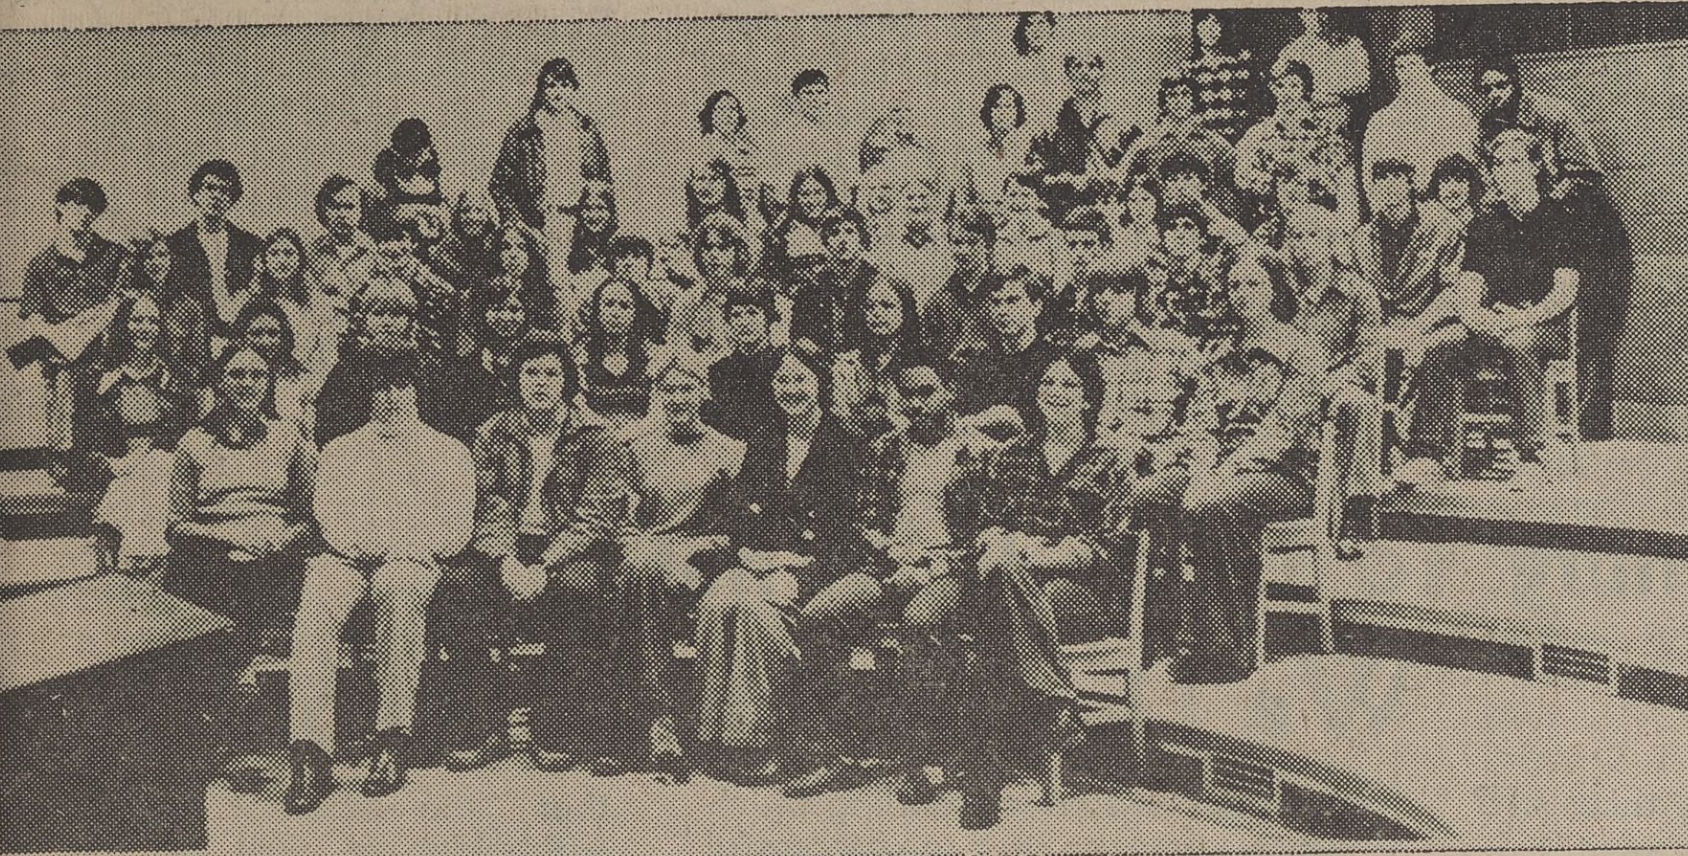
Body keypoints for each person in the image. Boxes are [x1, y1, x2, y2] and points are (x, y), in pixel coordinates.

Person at [427, 332, 633, 775]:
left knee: (577, 587)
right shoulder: (493, 431)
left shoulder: (598, 434)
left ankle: (553, 722)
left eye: (550, 373)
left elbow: (595, 515)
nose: (540, 382)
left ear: (567, 379)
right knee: (458, 586)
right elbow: (486, 500)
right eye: (530, 372)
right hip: (503, 543)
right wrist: (505, 558)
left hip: (570, 545)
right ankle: (485, 722)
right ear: (516, 379)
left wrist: (544, 564)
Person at [791, 356, 988, 807]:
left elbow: (983, 529)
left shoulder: (975, 451)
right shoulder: (887, 449)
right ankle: (834, 753)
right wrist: (890, 556)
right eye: (908, 395)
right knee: (820, 615)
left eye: (927, 393)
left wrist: (934, 566)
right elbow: (866, 518)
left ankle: (919, 759)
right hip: (891, 567)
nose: (917, 404)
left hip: (950, 571)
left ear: (948, 394)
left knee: (921, 621)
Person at [949, 350, 1135, 828]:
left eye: (1069, 386)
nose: (1056, 393)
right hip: (1012, 586)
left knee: (1002, 597)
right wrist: (1000, 540)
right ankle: (1055, 704)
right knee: (1004, 597)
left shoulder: (1107, 462)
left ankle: (985, 773)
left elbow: (1109, 549)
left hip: (1078, 593)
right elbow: (983, 523)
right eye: (1048, 383)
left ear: (1088, 398)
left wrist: (1036, 552)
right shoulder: (1013, 454)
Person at [283, 352, 475, 814]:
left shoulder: (447, 451)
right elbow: (329, 519)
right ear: (369, 394)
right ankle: (311, 751)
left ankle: (392, 739)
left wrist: (404, 545)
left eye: (400, 387)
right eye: (381, 388)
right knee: (317, 604)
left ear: (416, 391)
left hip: (410, 559)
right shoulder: (341, 450)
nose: (391, 398)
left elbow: (455, 528)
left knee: (399, 586)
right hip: (346, 557)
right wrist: (363, 545)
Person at [1131, 259, 1324, 685]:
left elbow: (1283, 431)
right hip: (1219, 465)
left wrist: (1224, 471)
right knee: (1148, 494)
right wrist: (1203, 465)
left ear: (1273, 289)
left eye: (1253, 282)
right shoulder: (1220, 353)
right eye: (1234, 284)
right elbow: (1202, 422)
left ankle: (1224, 647)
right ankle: (1164, 627)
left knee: (1213, 504)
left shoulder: (1300, 351)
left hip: (1284, 475)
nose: (1243, 291)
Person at [695, 347, 865, 785]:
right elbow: (740, 506)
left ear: (820, 385)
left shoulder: (844, 444)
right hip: (759, 557)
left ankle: (756, 740)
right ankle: (712, 736)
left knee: (754, 609)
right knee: (718, 600)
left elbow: (847, 529)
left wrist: (793, 563)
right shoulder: (766, 437)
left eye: (800, 380)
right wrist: (748, 553)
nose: (791, 389)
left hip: (812, 566)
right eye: (783, 381)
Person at [164, 343, 316, 785]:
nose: (247, 383)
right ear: (220, 382)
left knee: (250, 585)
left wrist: (278, 539)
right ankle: (210, 735)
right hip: (211, 554)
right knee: (203, 587)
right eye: (236, 375)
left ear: (267, 382)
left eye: (256, 375)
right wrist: (228, 536)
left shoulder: (289, 439)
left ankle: (225, 733)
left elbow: (311, 517)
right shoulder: (194, 444)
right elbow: (175, 526)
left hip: (274, 556)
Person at [1398, 130, 1581, 491]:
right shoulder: (1486, 222)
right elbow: (1469, 287)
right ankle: (1428, 456)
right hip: (1492, 321)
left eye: (1515, 162)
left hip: (1544, 324)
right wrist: (1478, 318)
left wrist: (1521, 319)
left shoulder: (1559, 217)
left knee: (1519, 343)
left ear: (1534, 166)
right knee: (1440, 345)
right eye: (1499, 164)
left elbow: (1566, 291)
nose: (1506, 171)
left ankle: (1532, 456)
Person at [591, 352, 745, 781]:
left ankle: (684, 727)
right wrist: (660, 555)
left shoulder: (728, 451)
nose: (677, 398)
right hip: (645, 554)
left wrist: (688, 555)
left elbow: (735, 529)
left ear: (704, 393)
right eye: (668, 389)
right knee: (640, 571)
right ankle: (658, 719)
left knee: (649, 576)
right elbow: (618, 520)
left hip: (702, 560)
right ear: (657, 395)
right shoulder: (634, 446)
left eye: (687, 388)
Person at [1279, 205, 1385, 557]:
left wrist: (1327, 381)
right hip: (1284, 388)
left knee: (1358, 404)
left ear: (1331, 241)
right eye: (1297, 237)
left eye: (1314, 236)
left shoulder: (1357, 293)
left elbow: (1368, 359)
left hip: (1336, 383)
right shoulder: (1281, 289)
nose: (1305, 245)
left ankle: (1355, 519)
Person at [14, 178, 127, 455]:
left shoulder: (114, 255)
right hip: (61, 362)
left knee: (106, 439)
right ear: (61, 206)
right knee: (65, 438)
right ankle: (64, 464)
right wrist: (64, 338)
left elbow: (126, 306)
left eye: (92, 208)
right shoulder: (40, 263)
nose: (85, 213)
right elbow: (32, 318)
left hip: (106, 357)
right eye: (77, 204)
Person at [1348, 160, 1467, 360]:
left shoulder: (1443, 226)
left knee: (1449, 342)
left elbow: (1452, 291)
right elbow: (1357, 295)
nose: (1389, 185)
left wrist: (1415, 330)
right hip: (1379, 331)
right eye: (1382, 178)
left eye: (1396, 177)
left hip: (1429, 327)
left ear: (1410, 181)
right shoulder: (1361, 240)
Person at [489, 57, 613, 240]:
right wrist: (517, 225)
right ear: (542, 91)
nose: (558, 93)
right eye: (551, 86)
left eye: (564, 85)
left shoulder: (587, 129)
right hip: (536, 225)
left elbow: (603, 181)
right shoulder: (523, 131)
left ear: (573, 88)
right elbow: (499, 184)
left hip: (581, 225)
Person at [1235, 59, 1358, 226]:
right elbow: (1241, 177)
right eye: (1281, 86)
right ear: (1273, 89)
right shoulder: (1258, 135)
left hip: (1316, 222)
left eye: (1293, 86)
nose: (1287, 93)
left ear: (1304, 89)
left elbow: (1342, 176)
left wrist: (1310, 174)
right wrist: (1272, 178)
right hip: (1273, 221)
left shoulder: (1324, 132)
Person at [1362, 40, 1479, 196]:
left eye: (1412, 65)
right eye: (1400, 67)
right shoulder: (1382, 121)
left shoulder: (1456, 113)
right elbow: (1370, 177)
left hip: (1447, 205)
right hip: (1400, 209)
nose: (1406, 74)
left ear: (1430, 67)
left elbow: (1467, 168)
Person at [1031, 52, 1139, 217]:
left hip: (1111, 210)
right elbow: (1038, 168)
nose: (1085, 73)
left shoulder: (1118, 117)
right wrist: (1064, 180)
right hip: (1066, 210)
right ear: (1068, 73)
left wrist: (1118, 172)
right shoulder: (1054, 120)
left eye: (1092, 66)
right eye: (1077, 66)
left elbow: (1139, 147)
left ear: (1101, 71)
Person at [954, 266, 1063, 425]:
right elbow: (965, 418)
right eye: (996, 302)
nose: (1002, 311)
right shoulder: (978, 365)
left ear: (1036, 307)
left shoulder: (1055, 360)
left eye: (1012, 301)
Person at [348, 205, 461, 356]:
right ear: (376, 244)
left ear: (413, 243)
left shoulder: (421, 273)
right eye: (386, 240)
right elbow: (351, 303)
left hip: (415, 343)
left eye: (401, 239)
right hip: (373, 343)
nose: (394, 247)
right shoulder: (365, 271)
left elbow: (449, 297)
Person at [167, 160, 264, 324]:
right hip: (193, 334)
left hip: (242, 331)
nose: (216, 196)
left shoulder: (250, 245)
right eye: (210, 188)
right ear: (196, 194)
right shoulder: (176, 244)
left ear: (232, 198)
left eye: (224, 190)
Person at [1473, 54, 1602, 176]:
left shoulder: (1550, 112)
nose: (1494, 94)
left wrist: (1555, 195)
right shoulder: (1488, 123)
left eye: (1501, 86)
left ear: (1514, 82)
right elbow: (1486, 168)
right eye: (1487, 90)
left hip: (1567, 190)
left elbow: (1587, 168)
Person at [670, 212, 772, 364]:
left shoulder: (757, 296)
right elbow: (678, 349)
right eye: (708, 248)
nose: (714, 255)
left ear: (738, 252)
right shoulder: (687, 303)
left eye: (723, 248)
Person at [120, 230, 212, 389]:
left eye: (162, 255)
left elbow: (197, 359)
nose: (156, 263)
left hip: (172, 386)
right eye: (149, 257)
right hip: (130, 382)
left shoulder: (188, 307)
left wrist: (181, 380)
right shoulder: (128, 303)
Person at [835, 274, 922, 438]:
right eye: (870, 307)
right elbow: (842, 417)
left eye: (887, 306)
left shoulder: (922, 362)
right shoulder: (847, 366)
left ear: (905, 310)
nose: (877, 313)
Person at [1127, 75, 1237, 200]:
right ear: (1165, 101)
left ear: (1193, 99)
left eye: (1185, 94)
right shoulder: (1150, 141)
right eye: (1173, 95)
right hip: (1162, 213)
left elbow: (1235, 167)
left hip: (1203, 211)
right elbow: (1125, 175)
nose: (1179, 101)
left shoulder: (1210, 139)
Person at [577, 277, 662, 432]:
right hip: (595, 438)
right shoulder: (581, 355)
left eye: (624, 306)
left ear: (635, 313)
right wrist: (607, 432)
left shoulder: (652, 355)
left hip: (643, 437)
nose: (616, 313)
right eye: (609, 304)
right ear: (598, 310)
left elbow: (658, 409)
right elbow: (578, 405)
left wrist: (632, 432)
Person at [792, 207, 877, 356]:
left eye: (850, 232)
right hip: (823, 363)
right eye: (835, 233)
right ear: (826, 240)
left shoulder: (877, 282)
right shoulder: (812, 286)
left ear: (861, 237)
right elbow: (797, 335)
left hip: (868, 362)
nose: (843, 240)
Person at [229, 297, 318, 437]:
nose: (265, 341)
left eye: (272, 333)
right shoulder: (230, 378)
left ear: (283, 336)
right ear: (242, 335)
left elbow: (308, 433)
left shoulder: (301, 380)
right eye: (256, 334)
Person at [704, 284, 783, 442]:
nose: (744, 322)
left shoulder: (782, 364)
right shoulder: (720, 370)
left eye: (752, 313)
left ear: (767, 318)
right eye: (736, 315)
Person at [1273, 7, 1371, 134]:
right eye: (1310, 12)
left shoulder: (1350, 46)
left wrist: (1330, 93)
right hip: (1300, 116)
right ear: (1302, 15)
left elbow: (1363, 82)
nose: (1317, 18)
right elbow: (1276, 81)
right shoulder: (1292, 50)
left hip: (1339, 114)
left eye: (1322, 12)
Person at [1144, 204, 1232, 344]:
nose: (1180, 234)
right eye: (1172, 228)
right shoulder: (1152, 276)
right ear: (1162, 238)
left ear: (1202, 237)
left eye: (1188, 227)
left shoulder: (1218, 274)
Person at [921, 205, 996, 362]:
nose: (964, 251)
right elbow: (928, 355)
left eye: (972, 242)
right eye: (957, 243)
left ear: (988, 245)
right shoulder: (937, 303)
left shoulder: (1003, 294)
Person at [305, 175, 377, 329]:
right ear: (323, 210)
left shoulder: (376, 253)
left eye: (349, 207)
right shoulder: (311, 253)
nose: (342, 215)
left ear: (361, 211)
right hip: (325, 331)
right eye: (334, 207)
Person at [770, 69, 852, 201]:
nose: (814, 98)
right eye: (808, 93)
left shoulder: (839, 129)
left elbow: (849, 173)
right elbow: (779, 179)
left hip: (835, 204)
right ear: (797, 98)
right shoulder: (784, 132)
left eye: (820, 92)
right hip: (797, 204)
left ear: (827, 96)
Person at [875, 176, 953, 312]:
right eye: (910, 198)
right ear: (899, 203)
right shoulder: (886, 248)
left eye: (923, 197)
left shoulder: (948, 244)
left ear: (935, 202)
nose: (917, 205)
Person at [1186, 12, 1263, 144]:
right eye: (1204, 24)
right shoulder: (1189, 69)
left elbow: (1252, 101)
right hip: (1204, 141)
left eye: (1215, 24)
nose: (1209, 30)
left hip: (1238, 138)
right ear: (1197, 28)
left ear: (1222, 28)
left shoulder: (1238, 64)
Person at [762, 167, 839, 297]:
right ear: (796, 197)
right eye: (805, 194)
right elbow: (772, 273)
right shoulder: (784, 230)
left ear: (828, 193)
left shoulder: (839, 226)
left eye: (818, 192)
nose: (812, 201)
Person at [959, 85, 1036, 208]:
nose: (1003, 112)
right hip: (984, 221)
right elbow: (962, 201)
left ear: (1017, 112)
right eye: (996, 106)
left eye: (1008, 106)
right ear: (988, 111)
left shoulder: (1029, 152)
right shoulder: (974, 155)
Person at [697, 90, 766, 198]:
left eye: (732, 109)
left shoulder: (749, 145)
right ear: (710, 115)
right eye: (721, 109)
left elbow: (761, 175)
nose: (727, 115)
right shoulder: (705, 148)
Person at [1425, 154, 1484, 236]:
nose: (1452, 189)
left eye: (1459, 180)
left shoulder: (1482, 224)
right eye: (1445, 181)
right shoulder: (1429, 226)